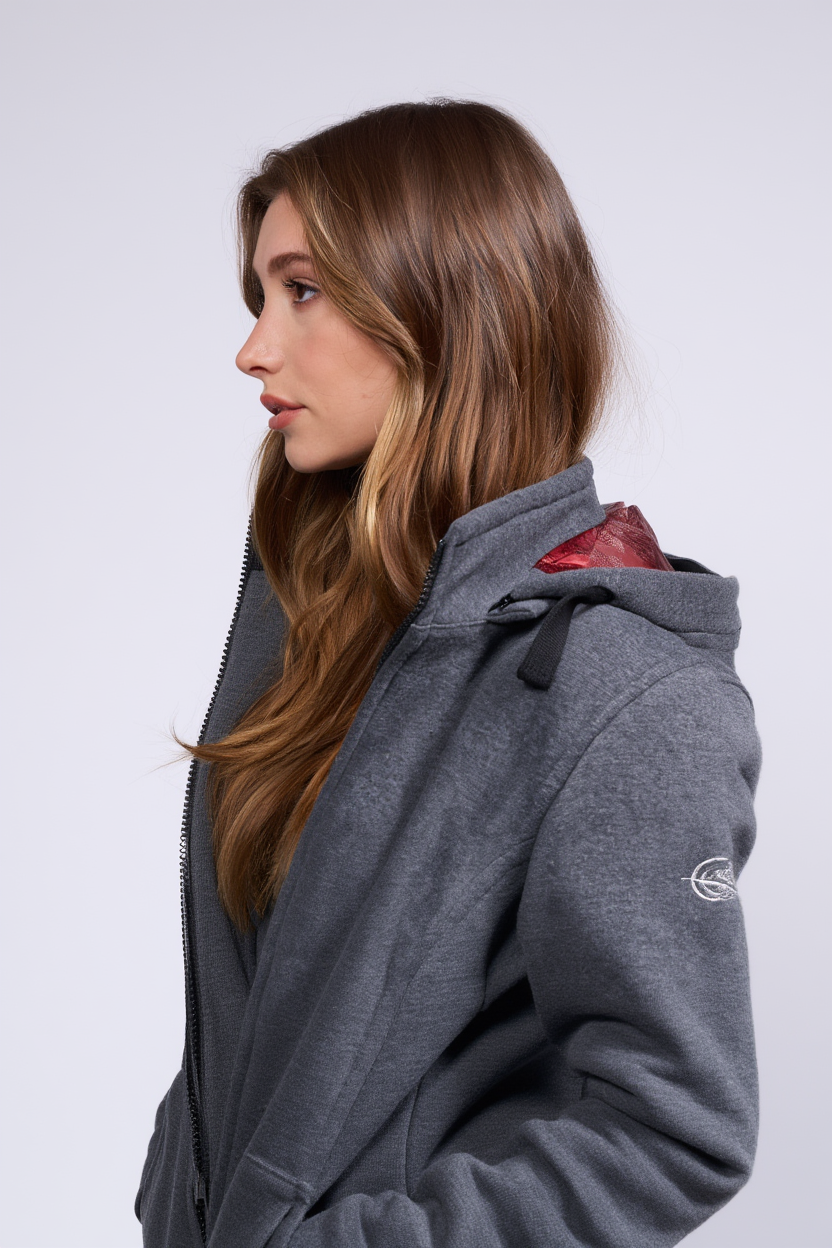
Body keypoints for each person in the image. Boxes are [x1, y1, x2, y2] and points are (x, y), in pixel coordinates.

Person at [134, 99, 761, 1248]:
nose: (253, 349)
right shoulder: (316, 627)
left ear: (445, 308)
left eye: (301, 291)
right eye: (258, 297)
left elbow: (676, 1131)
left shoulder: (623, 694)